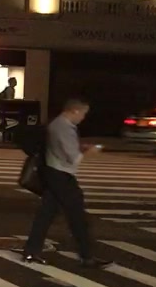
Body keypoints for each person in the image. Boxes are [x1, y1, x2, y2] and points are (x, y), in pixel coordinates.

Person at [22, 97, 111, 268]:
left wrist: (81, 147)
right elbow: (73, 158)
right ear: (74, 111)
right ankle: (87, 256)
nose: (83, 117)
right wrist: (89, 151)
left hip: (52, 173)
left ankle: (31, 251)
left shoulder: (56, 124)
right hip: (61, 175)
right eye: (83, 113)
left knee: (46, 215)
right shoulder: (64, 127)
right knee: (77, 216)